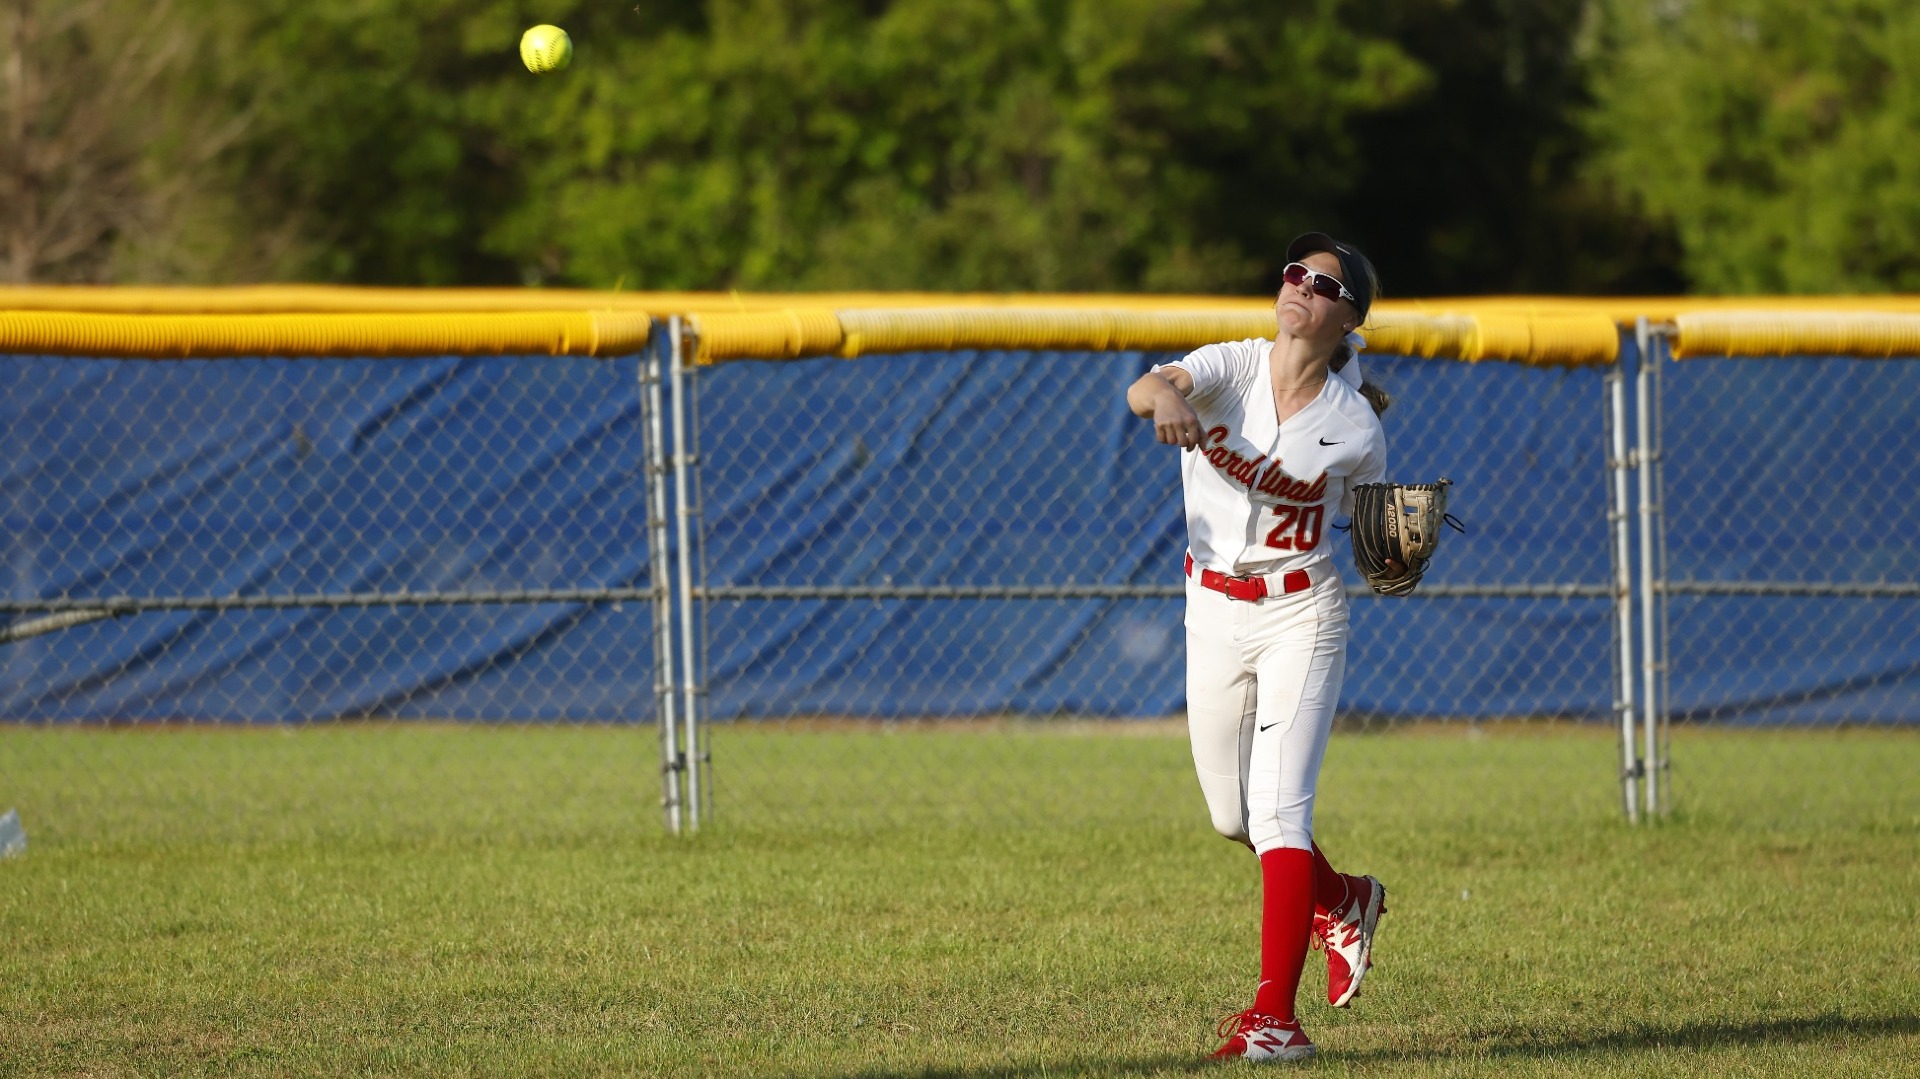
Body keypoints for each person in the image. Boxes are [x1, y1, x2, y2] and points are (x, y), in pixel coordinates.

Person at [1124, 233, 1397, 1063]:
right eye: (1293, 272)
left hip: (1300, 613)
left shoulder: (1353, 425)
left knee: (1280, 811)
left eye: (1321, 283)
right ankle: (1346, 897)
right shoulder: (1232, 366)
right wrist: (1166, 396)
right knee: (1232, 816)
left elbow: (1375, 535)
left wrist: (1394, 555)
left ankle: (1273, 1019)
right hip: (1210, 608)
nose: (1299, 286)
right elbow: (1149, 386)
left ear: (1347, 317)